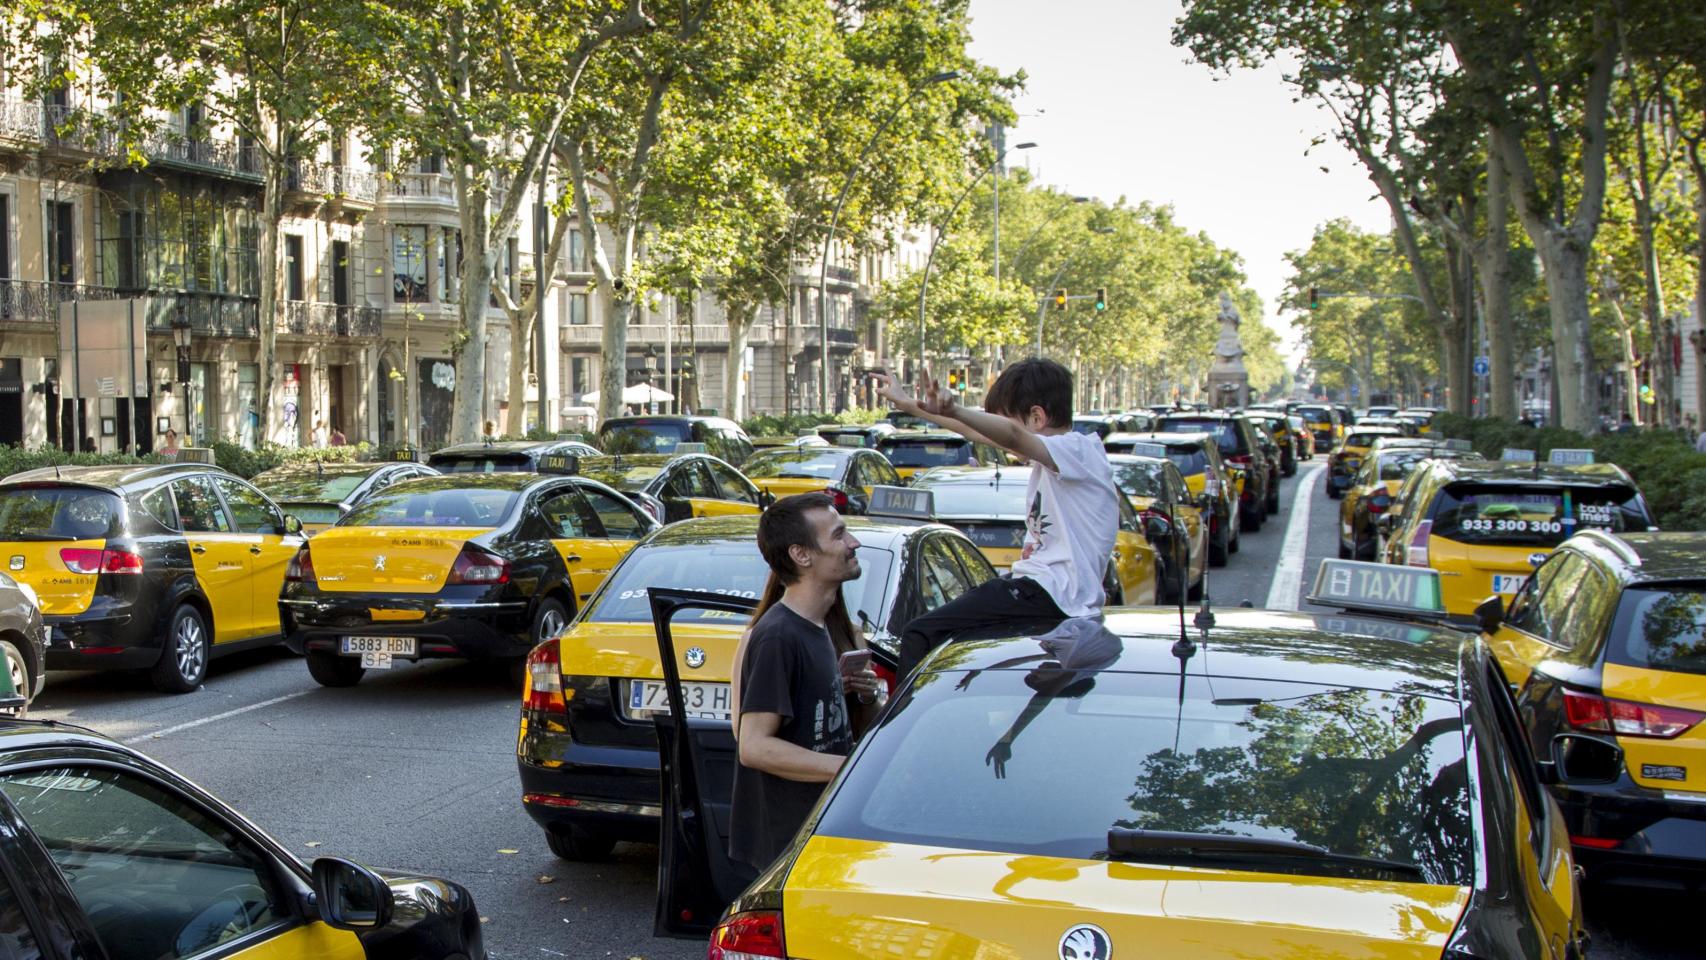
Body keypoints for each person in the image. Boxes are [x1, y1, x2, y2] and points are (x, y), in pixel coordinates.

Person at [879, 358, 1119, 681]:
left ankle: (904, 715)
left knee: (920, 634)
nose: (1004, 443)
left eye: (1003, 423)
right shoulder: (1062, 460)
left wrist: (956, 408)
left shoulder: (1077, 450)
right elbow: (974, 431)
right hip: (1053, 598)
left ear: (1037, 417)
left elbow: (1013, 435)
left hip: (1048, 593)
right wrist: (909, 404)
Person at [728, 492, 881, 876]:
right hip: (792, 845)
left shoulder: (833, 629)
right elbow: (753, 747)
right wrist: (853, 768)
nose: (853, 543)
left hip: (828, 831)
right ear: (801, 555)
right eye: (839, 535)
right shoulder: (778, 636)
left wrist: (866, 696)